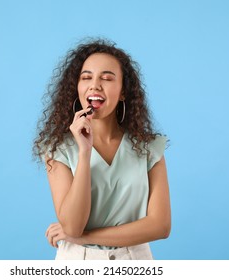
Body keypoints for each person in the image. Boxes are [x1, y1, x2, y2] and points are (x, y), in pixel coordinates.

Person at [33, 38, 171, 260]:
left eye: (106, 78)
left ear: (123, 91)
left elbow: (160, 226)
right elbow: (73, 227)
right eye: (86, 77)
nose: (95, 85)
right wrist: (85, 153)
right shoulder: (57, 148)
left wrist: (86, 237)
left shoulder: (150, 148)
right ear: (76, 87)